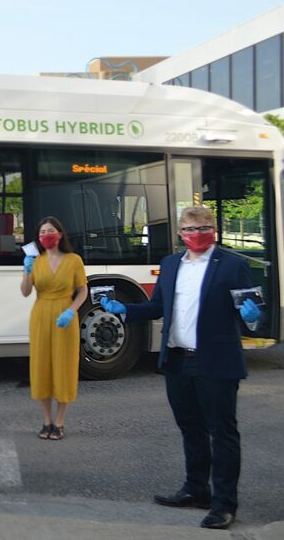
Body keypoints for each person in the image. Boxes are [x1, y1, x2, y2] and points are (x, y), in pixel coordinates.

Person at [101, 206, 259, 530]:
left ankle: (224, 504)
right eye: (189, 229)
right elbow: (158, 306)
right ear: (180, 233)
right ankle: (196, 489)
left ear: (214, 230)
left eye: (202, 228)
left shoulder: (233, 265)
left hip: (216, 361)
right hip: (176, 360)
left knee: (222, 433)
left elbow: (253, 312)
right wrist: (125, 309)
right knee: (191, 428)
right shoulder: (171, 264)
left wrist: (253, 316)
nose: (196, 234)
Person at [19, 216, 87, 441]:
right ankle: (47, 420)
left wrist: (72, 311)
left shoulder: (74, 260)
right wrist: (27, 271)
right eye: (42, 232)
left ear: (59, 234)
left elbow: (82, 290)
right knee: (42, 366)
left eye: (50, 231)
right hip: (41, 315)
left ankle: (60, 421)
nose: (46, 235)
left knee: (64, 365)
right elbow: (25, 292)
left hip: (64, 315)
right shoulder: (35, 261)